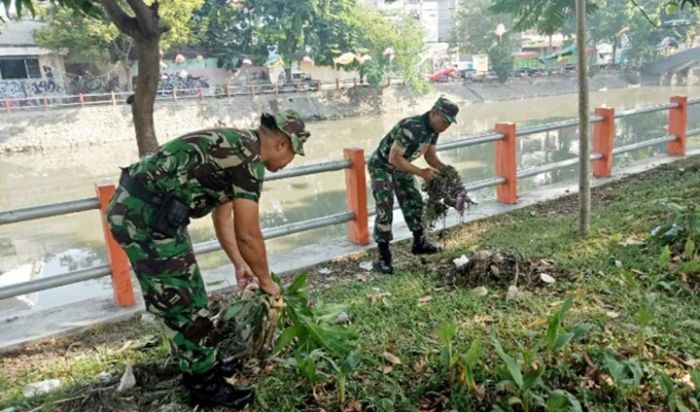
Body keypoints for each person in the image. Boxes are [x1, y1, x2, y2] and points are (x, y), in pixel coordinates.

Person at [106, 110, 310, 408]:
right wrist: (267, 282)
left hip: (156, 217)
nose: (290, 161)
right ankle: (204, 386)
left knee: (189, 296)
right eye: (293, 154)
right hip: (143, 219)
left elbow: (223, 217)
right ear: (282, 143)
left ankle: (204, 364)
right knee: (184, 304)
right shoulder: (249, 161)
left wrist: (239, 263)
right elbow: (249, 234)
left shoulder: (240, 147)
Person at [367, 96, 459, 274]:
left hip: (402, 166)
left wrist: (446, 170)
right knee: (384, 206)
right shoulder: (411, 126)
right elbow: (394, 158)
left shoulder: (434, 130)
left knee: (414, 201)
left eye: (449, 123)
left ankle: (420, 243)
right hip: (382, 166)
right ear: (434, 113)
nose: (445, 126)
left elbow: (430, 157)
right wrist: (421, 172)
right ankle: (383, 257)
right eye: (444, 121)